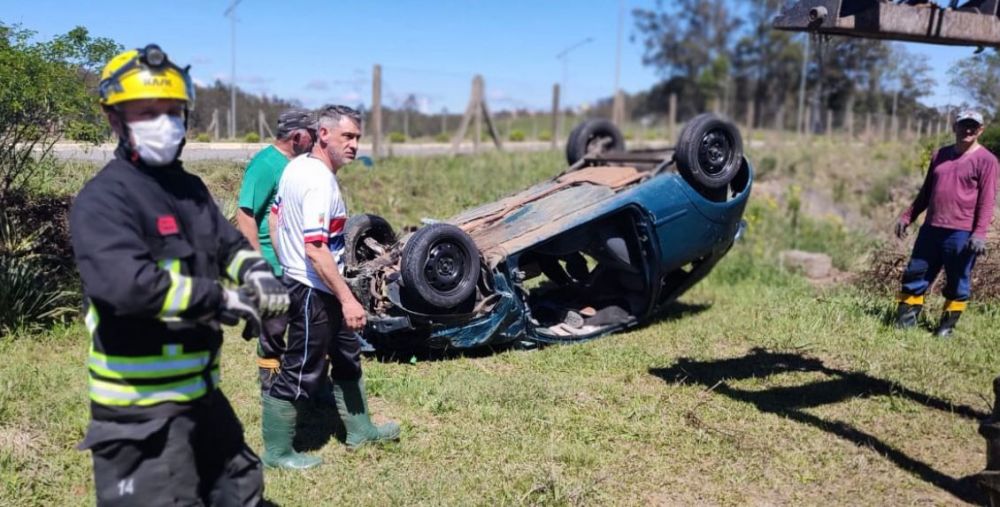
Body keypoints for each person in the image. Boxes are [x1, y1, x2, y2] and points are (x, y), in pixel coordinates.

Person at [71, 44, 289, 505]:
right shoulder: (104, 200)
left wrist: (259, 277)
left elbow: (228, 245)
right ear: (115, 119)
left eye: (172, 111)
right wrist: (225, 301)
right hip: (139, 411)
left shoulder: (188, 189)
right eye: (147, 112)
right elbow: (126, 287)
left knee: (240, 489)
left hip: (201, 394)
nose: (163, 123)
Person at [262, 105, 399, 469]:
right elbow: (315, 248)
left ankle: (360, 430)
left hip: (308, 280)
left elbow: (275, 220)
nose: (355, 145)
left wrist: (286, 262)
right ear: (324, 134)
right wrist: (347, 298)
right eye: (348, 137)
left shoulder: (297, 168)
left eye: (357, 137)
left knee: (347, 354)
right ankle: (276, 453)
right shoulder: (319, 182)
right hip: (314, 290)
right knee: (301, 367)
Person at [894, 109, 998, 336]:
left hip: (962, 233)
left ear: (981, 130)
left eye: (973, 125)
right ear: (954, 127)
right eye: (964, 124)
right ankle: (905, 324)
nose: (968, 129)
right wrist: (907, 216)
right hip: (931, 228)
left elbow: (987, 200)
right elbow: (926, 192)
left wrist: (979, 233)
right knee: (915, 273)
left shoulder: (987, 161)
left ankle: (945, 329)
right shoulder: (939, 155)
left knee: (957, 281)